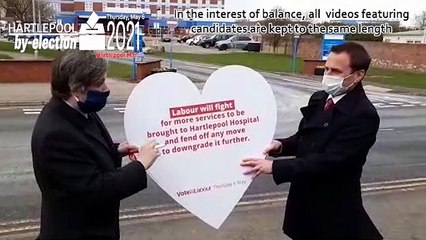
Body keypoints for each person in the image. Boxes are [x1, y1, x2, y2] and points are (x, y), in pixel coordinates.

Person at [241, 42, 383, 240]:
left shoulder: (363, 115)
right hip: (304, 200)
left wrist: (275, 168)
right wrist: (281, 146)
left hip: (334, 206)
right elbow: (305, 138)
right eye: (326, 68)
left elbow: (333, 161)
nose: (328, 75)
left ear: (358, 75)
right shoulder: (320, 98)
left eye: (335, 71)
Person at [31, 50, 160, 240]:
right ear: (77, 90)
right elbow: (95, 189)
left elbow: (84, 153)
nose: (106, 88)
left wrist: (115, 151)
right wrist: (140, 164)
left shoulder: (79, 110)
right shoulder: (55, 134)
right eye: (100, 84)